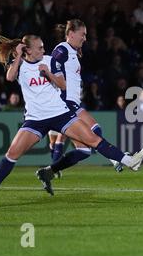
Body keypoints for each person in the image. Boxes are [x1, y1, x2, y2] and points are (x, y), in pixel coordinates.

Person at [0, 34, 143, 198]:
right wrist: (17, 57)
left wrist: (48, 73)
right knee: (12, 153)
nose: (43, 50)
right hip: (35, 119)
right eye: (39, 47)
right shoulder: (20, 65)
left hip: (59, 114)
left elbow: (62, 84)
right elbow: (9, 77)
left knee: (92, 139)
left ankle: (130, 161)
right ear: (28, 50)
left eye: (43, 46)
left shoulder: (50, 61)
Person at [44, 19, 122, 173]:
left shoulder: (72, 51)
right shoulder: (63, 48)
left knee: (84, 150)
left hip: (72, 101)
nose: (85, 39)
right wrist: (53, 77)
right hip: (65, 102)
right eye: (83, 35)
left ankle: (50, 170)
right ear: (71, 33)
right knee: (90, 130)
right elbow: (53, 63)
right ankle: (115, 158)